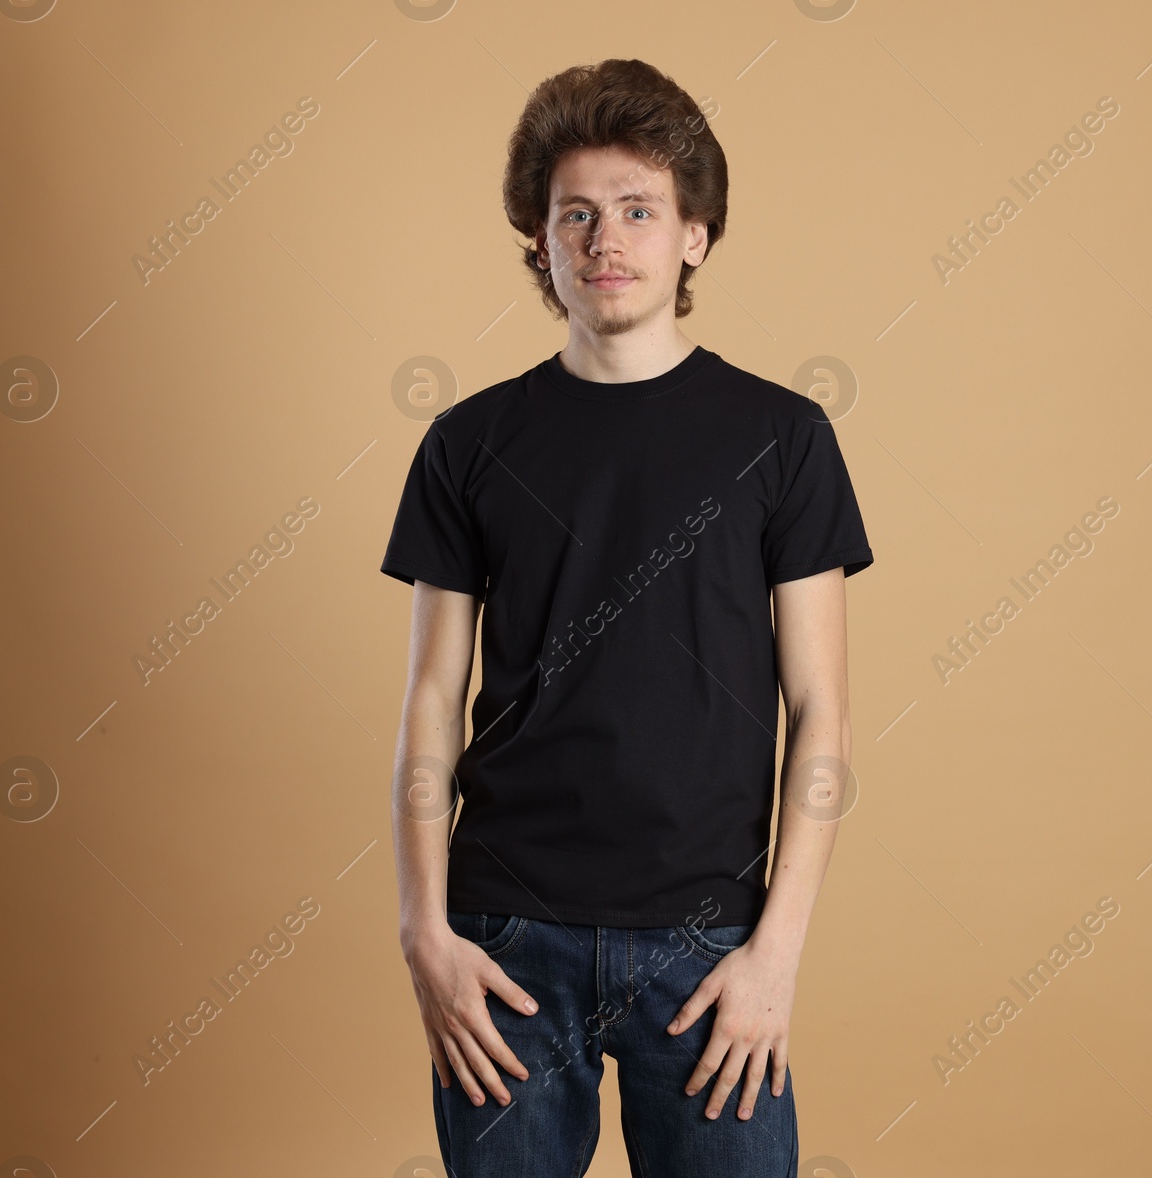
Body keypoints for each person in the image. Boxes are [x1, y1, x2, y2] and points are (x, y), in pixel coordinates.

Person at [380, 57, 873, 1178]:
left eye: (639, 210)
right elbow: (427, 700)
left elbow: (822, 714)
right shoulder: (466, 443)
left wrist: (775, 955)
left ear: (693, 235)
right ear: (541, 244)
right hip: (502, 940)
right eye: (578, 215)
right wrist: (425, 931)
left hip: (709, 946)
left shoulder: (783, 438)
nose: (608, 238)